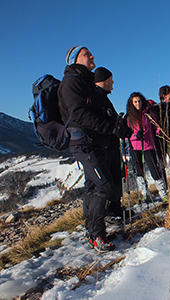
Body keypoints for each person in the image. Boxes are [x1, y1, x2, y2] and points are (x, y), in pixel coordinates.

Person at [58, 46, 130, 252]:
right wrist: (111, 127)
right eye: (86, 54)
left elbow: (100, 113)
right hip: (84, 143)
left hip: (95, 143)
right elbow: (79, 115)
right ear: (74, 60)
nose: (92, 56)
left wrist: (117, 126)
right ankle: (96, 235)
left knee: (93, 187)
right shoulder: (71, 82)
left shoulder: (85, 82)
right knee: (104, 186)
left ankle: (94, 231)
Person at [94, 67, 124, 222]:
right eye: (111, 79)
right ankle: (108, 213)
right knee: (107, 182)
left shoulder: (104, 97)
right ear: (105, 80)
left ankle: (116, 208)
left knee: (115, 176)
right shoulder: (95, 97)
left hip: (111, 147)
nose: (113, 82)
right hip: (103, 147)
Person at [126, 92, 168, 202]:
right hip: (135, 147)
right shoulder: (129, 117)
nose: (137, 103)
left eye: (139, 101)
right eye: (135, 102)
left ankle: (163, 193)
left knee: (155, 170)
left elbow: (155, 126)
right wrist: (135, 135)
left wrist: (159, 131)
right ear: (132, 103)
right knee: (139, 172)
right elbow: (127, 135)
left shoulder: (149, 113)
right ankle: (145, 194)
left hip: (149, 146)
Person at [153, 85, 170, 190]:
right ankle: (166, 189)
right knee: (162, 165)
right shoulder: (157, 108)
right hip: (160, 141)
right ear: (164, 96)